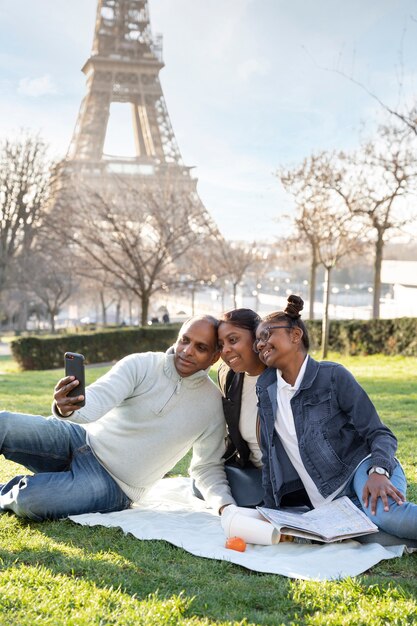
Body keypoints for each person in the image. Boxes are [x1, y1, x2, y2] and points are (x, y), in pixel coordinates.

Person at [0, 316, 235, 521]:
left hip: (112, 484)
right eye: (184, 340)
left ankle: (21, 489)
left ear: (215, 357)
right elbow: (95, 402)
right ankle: (56, 481)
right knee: (4, 424)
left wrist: (225, 506)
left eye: (200, 347)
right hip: (81, 440)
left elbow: (207, 466)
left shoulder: (213, 404)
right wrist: (67, 408)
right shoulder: (141, 364)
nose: (187, 350)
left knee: (29, 501)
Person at [254, 294, 417, 541]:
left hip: (364, 469)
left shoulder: (332, 376)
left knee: (386, 516)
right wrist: (271, 511)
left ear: (295, 335)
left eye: (266, 335)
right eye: (257, 340)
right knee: (381, 537)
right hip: (329, 501)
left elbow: (379, 432)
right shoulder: (266, 389)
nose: (260, 344)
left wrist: (378, 472)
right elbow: (269, 458)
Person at [217, 308, 266, 506]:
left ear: (257, 338)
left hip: (291, 480)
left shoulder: (283, 378)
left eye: (233, 340)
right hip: (253, 473)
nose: (226, 350)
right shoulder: (229, 376)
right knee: (202, 483)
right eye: (220, 345)